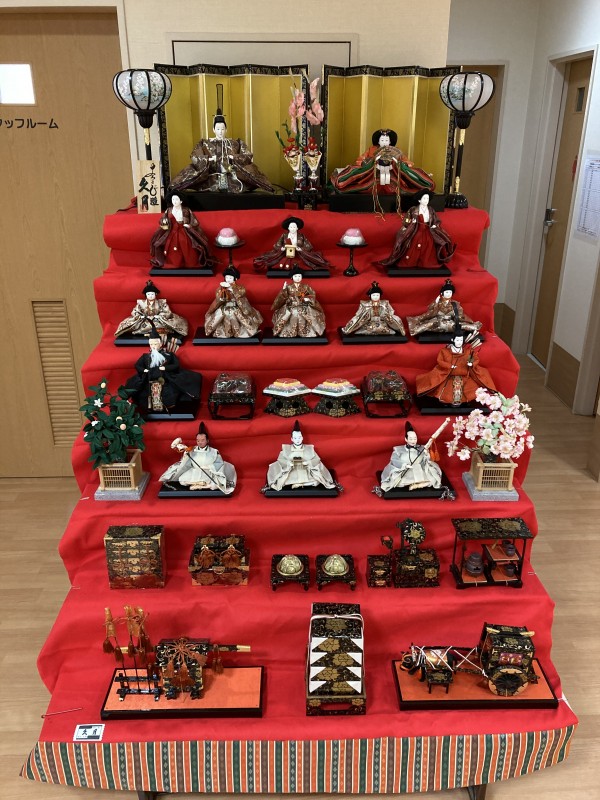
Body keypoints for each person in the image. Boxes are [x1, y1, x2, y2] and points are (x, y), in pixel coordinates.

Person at [167, 109, 274, 194]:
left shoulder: (235, 143)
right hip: (211, 177)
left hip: (232, 177)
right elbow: (195, 156)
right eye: (218, 129)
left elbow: (247, 155)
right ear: (213, 129)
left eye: (222, 129)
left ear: (226, 129)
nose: (220, 132)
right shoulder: (205, 143)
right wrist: (208, 159)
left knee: (247, 176)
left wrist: (234, 158)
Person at [330, 129, 435, 195]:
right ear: (378, 141)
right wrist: (368, 162)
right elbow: (360, 159)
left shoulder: (396, 150)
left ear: (390, 142)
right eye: (382, 140)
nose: (384, 142)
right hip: (373, 173)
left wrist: (402, 164)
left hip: (393, 172)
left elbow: (406, 161)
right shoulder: (372, 149)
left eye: (386, 140)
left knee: (404, 173)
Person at [415, 328, 496, 406]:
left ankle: (466, 401)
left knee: (471, 391)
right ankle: (445, 401)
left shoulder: (468, 351)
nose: (459, 342)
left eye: (461, 340)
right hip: (448, 376)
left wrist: (471, 364)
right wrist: (449, 366)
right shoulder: (445, 351)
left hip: (464, 376)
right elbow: (440, 361)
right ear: (452, 340)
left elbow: (475, 359)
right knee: (444, 392)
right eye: (457, 340)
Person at [376, 191, 455, 269]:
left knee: (429, 243)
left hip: (428, 230)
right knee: (414, 241)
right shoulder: (413, 210)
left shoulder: (431, 210)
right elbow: (406, 219)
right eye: (424, 198)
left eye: (427, 198)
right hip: (416, 229)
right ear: (419, 200)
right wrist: (411, 222)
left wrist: (435, 225)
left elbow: (436, 220)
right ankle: (411, 261)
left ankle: (426, 262)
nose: (426, 200)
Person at [125, 332, 202, 411]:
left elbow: (176, 365)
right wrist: (144, 370)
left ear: (160, 344)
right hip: (149, 379)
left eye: (155, 344)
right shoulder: (145, 356)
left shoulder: (168, 355)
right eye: (151, 344)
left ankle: (168, 404)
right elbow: (137, 365)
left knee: (171, 391)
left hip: (166, 379)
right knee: (141, 391)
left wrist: (166, 368)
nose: (153, 346)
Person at [159, 423, 236, 493]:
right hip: (194, 471)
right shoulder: (192, 450)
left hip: (208, 471)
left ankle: (200, 485)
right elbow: (186, 462)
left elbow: (219, 463)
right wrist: (186, 455)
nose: (200, 442)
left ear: (207, 440)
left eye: (202, 440)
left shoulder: (214, 451)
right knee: (182, 481)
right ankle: (200, 485)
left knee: (215, 483)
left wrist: (209, 467)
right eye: (198, 440)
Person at [149, 194, 217, 270]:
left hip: (184, 231)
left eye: (176, 199)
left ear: (181, 201)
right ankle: (174, 263)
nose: (174, 201)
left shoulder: (186, 210)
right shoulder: (168, 210)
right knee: (172, 248)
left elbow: (194, 220)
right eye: (173, 199)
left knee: (187, 246)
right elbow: (163, 219)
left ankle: (190, 263)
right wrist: (164, 221)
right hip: (172, 231)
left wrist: (189, 225)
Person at [266, 421, 336, 491]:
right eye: (295, 438)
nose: (297, 440)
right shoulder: (286, 449)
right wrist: (288, 463)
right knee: (283, 480)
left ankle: (299, 484)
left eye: (299, 437)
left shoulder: (309, 448)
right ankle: (301, 483)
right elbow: (281, 459)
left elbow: (316, 459)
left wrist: (308, 463)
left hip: (305, 470)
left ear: (302, 438)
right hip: (292, 470)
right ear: (292, 439)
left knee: (318, 480)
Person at [114, 280, 188, 341]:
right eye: (148, 294)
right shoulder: (141, 303)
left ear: (155, 294)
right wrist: (141, 316)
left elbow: (167, 312)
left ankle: (157, 331)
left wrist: (159, 316)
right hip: (145, 321)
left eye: (152, 294)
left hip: (158, 320)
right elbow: (135, 312)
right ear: (146, 295)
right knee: (141, 326)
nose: (150, 296)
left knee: (162, 325)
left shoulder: (161, 303)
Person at [380, 421, 443, 492]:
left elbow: (426, 461)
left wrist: (426, 455)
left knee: (434, 478)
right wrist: (404, 465)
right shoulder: (398, 449)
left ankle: (418, 485)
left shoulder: (422, 448)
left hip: (419, 469)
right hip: (405, 469)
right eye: (411, 439)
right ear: (406, 439)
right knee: (397, 482)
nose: (413, 441)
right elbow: (394, 460)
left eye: (415, 438)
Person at [407, 280, 482, 337]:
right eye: (446, 292)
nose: (448, 294)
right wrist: (436, 304)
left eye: (450, 292)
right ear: (442, 293)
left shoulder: (455, 303)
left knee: (462, 326)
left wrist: (457, 316)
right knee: (427, 325)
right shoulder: (437, 302)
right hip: (438, 321)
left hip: (450, 322)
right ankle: (414, 330)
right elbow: (430, 313)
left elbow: (460, 315)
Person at [253, 217, 331, 272]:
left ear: (297, 228)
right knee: (277, 263)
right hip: (285, 253)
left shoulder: (301, 236)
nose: (293, 229)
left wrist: (301, 249)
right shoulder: (284, 235)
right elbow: (277, 244)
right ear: (288, 228)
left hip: (299, 254)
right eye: (291, 227)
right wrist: (282, 248)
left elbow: (308, 245)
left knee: (304, 264)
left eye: (294, 227)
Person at [204, 266, 263, 338]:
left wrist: (234, 292)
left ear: (235, 279)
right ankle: (222, 332)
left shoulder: (240, 288)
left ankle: (240, 333)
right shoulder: (221, 288)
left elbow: (242, 297)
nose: (228, 280)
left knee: (238, 317)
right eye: (226, 277)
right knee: (219, 316)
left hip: (235, 307)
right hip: (225, 307)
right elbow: (217, 297)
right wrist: (222, 296)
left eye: (230, 278)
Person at [271, 265, 326, 338]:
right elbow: (283, 297)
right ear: (292, 277)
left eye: (299, 276)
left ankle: (304, 332)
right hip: (291, 306)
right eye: (295, 276)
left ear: (302, 277)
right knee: (293, 314)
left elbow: (312, 295)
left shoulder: (306, 287)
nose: (297, 278)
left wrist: (308, 299)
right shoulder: (289, 287)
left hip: (303, 306)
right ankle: (290, 332)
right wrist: (284, 289)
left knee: (304, 314)